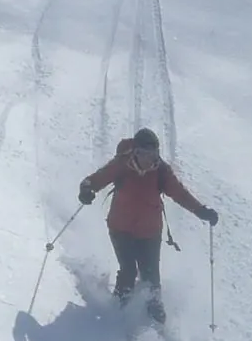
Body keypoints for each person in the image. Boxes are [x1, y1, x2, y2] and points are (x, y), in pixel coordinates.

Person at [78, 127, 220, 323]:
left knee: (151, 275)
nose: (148, 159)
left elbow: (180, 194)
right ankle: (117, 312)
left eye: (152, 154)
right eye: (143, 153)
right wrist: (87, 188)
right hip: (120, 228)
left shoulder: (161, 172)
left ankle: (155, 314)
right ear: (135, 151)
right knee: (128, 270)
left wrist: (201, 211)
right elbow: (96, 179)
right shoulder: (122, 164)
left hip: (149, 231)